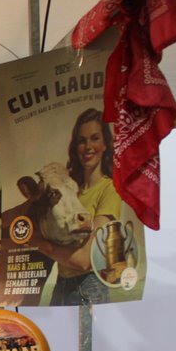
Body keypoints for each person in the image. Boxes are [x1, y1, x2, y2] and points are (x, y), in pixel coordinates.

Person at [40, 108, 124, 305]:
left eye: (95, 138)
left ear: (105, 144)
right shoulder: (69, 188)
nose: (88, 147)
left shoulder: (109, 189)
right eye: (81, 141)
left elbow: (86, 259)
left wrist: (40, 244)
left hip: (89, 285)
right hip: (61, 283)